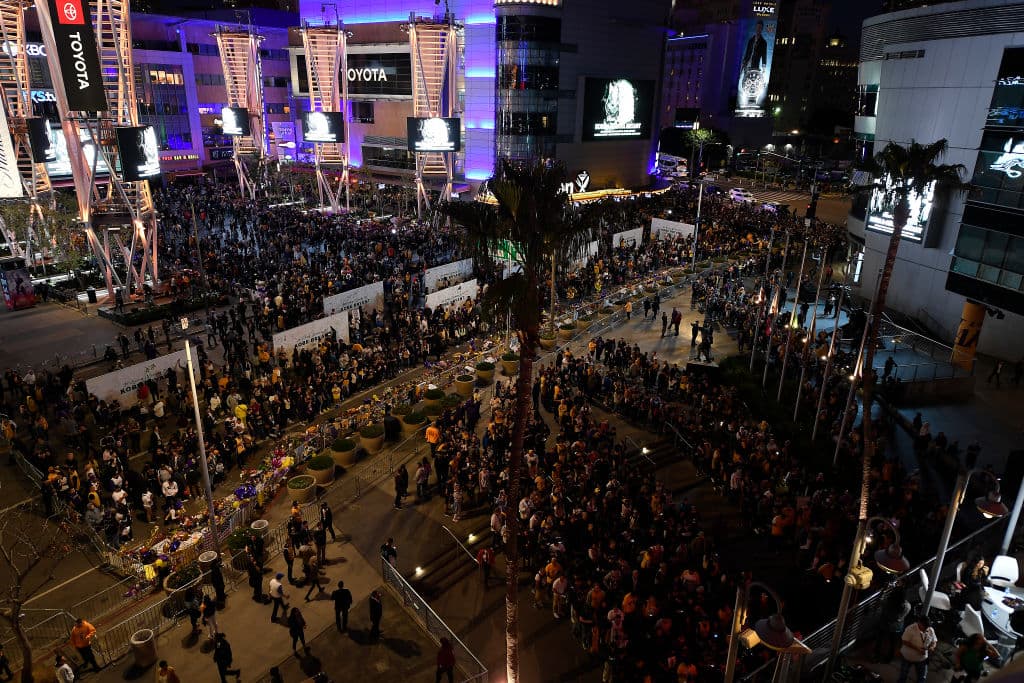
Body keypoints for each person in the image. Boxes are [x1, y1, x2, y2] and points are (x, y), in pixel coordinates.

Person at [897, 615, 937, 683]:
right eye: (924, 627)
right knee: (903, 676)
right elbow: (904, 641)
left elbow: (934, 641)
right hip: (908, 657)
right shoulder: (910, 628)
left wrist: (932, 647)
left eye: (927, 627)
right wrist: (917, 649)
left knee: (922, 678)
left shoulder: (930, 629)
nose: (926, 629)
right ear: (919, 623)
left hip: (922, 659)